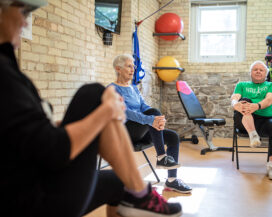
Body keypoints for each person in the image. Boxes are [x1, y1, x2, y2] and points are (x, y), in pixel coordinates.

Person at [0, 1, 182, 217]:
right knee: (93, 94)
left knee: (119, 182)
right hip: (32, 196)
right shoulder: (4, 76)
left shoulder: (9, 69)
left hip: (42, 171)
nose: (24, 21)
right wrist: (105, 114)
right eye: (21, 11)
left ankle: (153, 186)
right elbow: (51, 149)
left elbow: (24, 134)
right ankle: (143, 192)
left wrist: (150, 117)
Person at [109, 54, 192, 194]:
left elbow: (143, 106)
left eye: (133, 67)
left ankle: (171, 181)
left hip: (142, 129)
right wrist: (151, 119)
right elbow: (126, 112)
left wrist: (157, 119)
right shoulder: (111, 89)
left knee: (172, 136)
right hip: (125, 132)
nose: (133, 69)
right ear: (118, 68)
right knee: (152, 113)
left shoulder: (134, 88)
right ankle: (161, 157)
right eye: (129, 66)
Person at [230, 60, 272, 181]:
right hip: (243, 121)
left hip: (265, 120)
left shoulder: (271, 85)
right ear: (250, 73)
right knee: (245, 100)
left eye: (261, 70)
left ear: (265, 73)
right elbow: (235, 97)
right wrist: (235, 104)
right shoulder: (242, 85)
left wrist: (257, 106)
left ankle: (271, 166)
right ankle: (253, 134)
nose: (258, 71)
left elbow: (269, 99)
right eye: (255, 69)